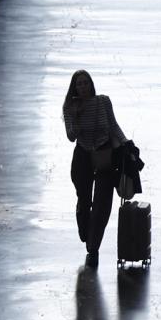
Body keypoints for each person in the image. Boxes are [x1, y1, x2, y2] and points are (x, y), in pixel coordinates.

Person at [62, 70, 128, 267]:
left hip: (104, 153)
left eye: (85, 83)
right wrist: (77, 120)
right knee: (84, 198)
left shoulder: (103, 102)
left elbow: (113, 126)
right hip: (82, 155)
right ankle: (85, 229)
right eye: (79, 84)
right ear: (74, 88)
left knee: (102, 202)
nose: (82, 87)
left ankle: (93, 245)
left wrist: (126, 143)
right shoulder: (70, 107)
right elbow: (70, 136)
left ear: (91, 85)